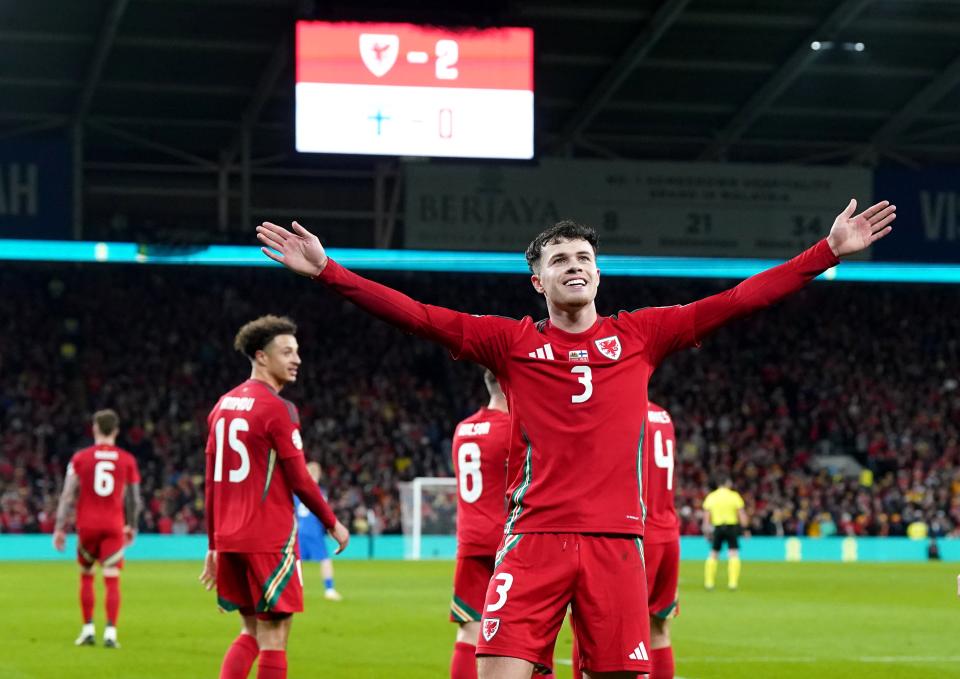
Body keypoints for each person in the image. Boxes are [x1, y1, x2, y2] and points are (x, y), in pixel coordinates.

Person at [257, 197, 894, 679]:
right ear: (538, 281)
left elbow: (738, 299)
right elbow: (419, 316)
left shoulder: (644, 333)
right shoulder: (510, 342)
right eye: (559, 260)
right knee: (497, 670)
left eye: (583, 258)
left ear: (598, 274)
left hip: (618, 546)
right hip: (533, 539)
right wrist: (329, 272)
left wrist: (827, 252)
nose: (574, 267)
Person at [199, 315, 350, 679]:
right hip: (268, 538)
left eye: (296, 351)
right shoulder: (278, 409)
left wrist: (213, 544)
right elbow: (300, 478)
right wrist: (333, 523)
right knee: (274, 637)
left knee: (249, 631)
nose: (296, 359)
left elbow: (210, 483)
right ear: (261, 357)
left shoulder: (221, 406)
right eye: (286, 352)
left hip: (230, 539)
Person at [572, 401, 680, 679]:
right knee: (659, 629)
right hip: (668, 532)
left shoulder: (620, 409)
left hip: (636, 535)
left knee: (589, 627)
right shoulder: (663, 416)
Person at [53, 409, 142, 649]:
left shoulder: (80, 458)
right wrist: (131, 526)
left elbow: (67, 495)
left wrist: (60, 528)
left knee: (86, 575)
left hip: (87, 525)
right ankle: (111, 633)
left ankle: (88, 629)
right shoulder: (127, 460)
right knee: (112, 578)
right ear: (116, 431)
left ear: (94, 428)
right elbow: (134, 499)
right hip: (113, 525)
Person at [450, 369, 511, 679]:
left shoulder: (463, 429)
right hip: (509, 542)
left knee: (469, 630)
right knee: (530, 637)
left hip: (471, 539)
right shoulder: (515, 428)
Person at [294, 461, 343, 601]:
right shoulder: (319, 492)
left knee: (296, 562)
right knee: (325, 560)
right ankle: (329, 589)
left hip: (299, 530)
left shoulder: (296, 491)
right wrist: (331, 528)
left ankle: (294, 591)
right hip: (313, 531)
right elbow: (323, 512)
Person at [702, 477, 749, 591]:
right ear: (728, 483)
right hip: (731, 527)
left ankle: (709, 583)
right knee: (733, 553)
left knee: (713, 554)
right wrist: (746, 528)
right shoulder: (734, 496)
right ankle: (732, 583)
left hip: (717, 527)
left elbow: (707, 516)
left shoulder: (711, 497)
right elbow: (741, 514)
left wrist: (706, 530)